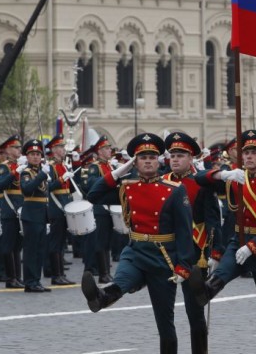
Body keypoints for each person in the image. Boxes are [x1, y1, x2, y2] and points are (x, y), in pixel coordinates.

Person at [82, 133, 195, 353]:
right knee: (121, 280)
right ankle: (101, 297)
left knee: (165, 323)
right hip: (135, 252)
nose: (148, 161)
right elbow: (93, 195)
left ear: (159, 160)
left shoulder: (174, 190)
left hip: (163, 257)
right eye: (142, 157)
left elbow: (184, 230)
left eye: (152, 157)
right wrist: (119, 170)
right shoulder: (128, 187)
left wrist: (183, 266)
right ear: (136, 161)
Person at [188, 129, 256, 354]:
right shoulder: (234, 178)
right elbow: (198, 178)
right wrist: (222, 175)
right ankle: (205, 291)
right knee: (220, 276)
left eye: (254, 152)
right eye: (246, 153)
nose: (249, 157)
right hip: (238, 240)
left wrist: (253, 246)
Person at [163, 132, 223, 353]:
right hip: (167, 250)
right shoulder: (162, 181)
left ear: (191, 158)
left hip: (196, 251)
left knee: (195, 310)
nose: (175, 159)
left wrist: (216, 251)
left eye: (181, 155)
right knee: (164, 312)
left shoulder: (201, 182)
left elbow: (213, 219)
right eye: (173, 155)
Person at [0, 135, 26, 288]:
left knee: (17, 245)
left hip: (20, 207)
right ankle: (10, 278)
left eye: (19, 147)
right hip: (8, 207)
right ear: (7, 150)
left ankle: (17, 276)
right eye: (16, 147)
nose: (19, 150)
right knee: (8, 244)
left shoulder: (22, 165)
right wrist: (13, 173)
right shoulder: (4, 167)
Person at [19, 139, 52, 292]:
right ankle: (29, 282)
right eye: (32, 154)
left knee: (40, 250)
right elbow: (27, 189)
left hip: (41, 215)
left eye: (38, 154)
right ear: (27, 156)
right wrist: (41, 176)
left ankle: (36, 280)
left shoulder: (41, 172)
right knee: (31, 250)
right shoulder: (26, 172)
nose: (36, 157)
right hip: (31, 214)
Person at [45, 135, 76, 285]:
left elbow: (69, 189)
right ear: (54, 150)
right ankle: (55, 275)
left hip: (65, 207)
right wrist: (62, 179)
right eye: (61, 147)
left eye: (63, 147)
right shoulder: (50, 167)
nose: (64, 150)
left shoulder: (63, 166)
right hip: (55, 208)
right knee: (55, 242)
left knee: (62, 242)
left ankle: (61, 273)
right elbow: (47, 188)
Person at [85, 135, 116, 283]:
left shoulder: (109, 166)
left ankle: (107, 272)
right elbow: (91, 183)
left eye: (109, 148)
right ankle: (102, 273)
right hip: (99, 207)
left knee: (108, 241)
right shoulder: (95, 166)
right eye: (106, 148)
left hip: (110, 207)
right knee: (100, 241)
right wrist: (110, 179)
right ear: (99, 151)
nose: (109, 150)